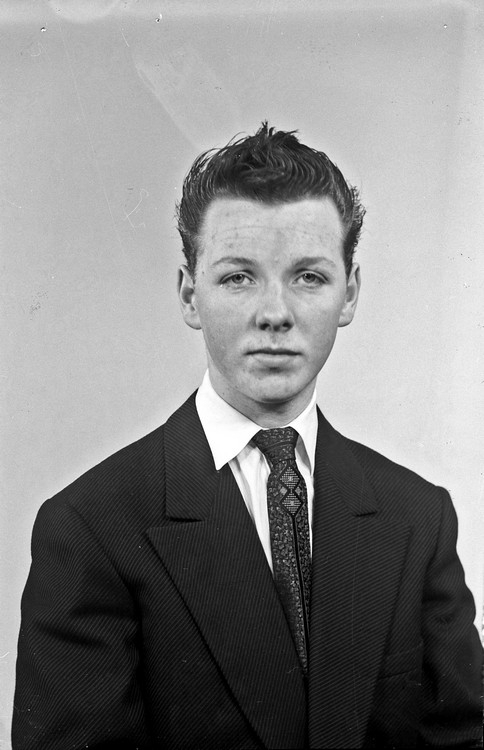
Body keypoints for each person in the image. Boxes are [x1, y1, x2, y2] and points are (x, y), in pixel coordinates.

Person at [13, 123, 482, 749]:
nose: (275, 313)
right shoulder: (90, 527)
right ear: (190, 295)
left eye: (309, 277)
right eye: (238, 277)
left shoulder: (419, 516)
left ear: (350, 294)